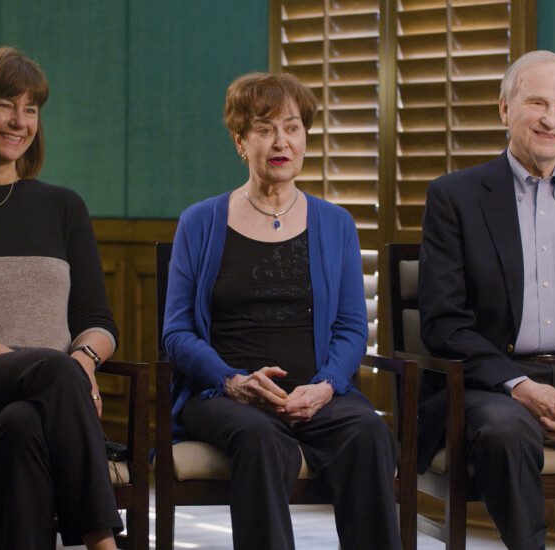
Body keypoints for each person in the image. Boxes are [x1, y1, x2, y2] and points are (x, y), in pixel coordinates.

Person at [162, 72, 401, 550]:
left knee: (369, 432)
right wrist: (233, 380)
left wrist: (328, 385)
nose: (280, 142)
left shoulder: (336, 224)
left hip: (317, 392)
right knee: (261, 439)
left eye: (292, 127)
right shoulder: (200, 222)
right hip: (227, 395)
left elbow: (354, 326)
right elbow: (178, 331)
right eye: (264, 128)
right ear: (239, 141)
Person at [0, 47, 122, 549]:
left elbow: (97, 320)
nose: (20, 121)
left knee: (21, 427)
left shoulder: (62, 206)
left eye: (31, 108)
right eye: (4, 105)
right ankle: (103, 543)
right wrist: (44, 370)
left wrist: (81, 361)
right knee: (49, 375)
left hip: (47, 401)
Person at [419, 50, 555, 550]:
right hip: (491, 383)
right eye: (538, 103)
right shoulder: (454, 197)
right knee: (507, 430)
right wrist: (521, 385)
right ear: (504, 109)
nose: (552, 119)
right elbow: (443, 324)